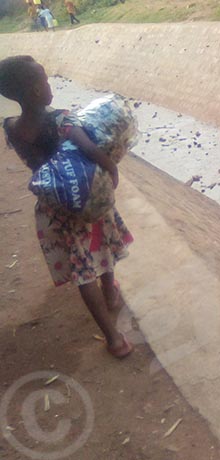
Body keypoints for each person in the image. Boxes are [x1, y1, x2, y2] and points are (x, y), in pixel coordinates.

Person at [0, 55, 134, 359]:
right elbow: (90, 149)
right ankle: (110, 293)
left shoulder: (11, 128)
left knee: (82, 269)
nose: (49, 85)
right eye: (45, 80)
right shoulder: (61, 120)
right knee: (101, 244)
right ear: (35, 90)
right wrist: (111, 168)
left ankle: (113, 338)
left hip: (55, 206)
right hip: (84, 197)